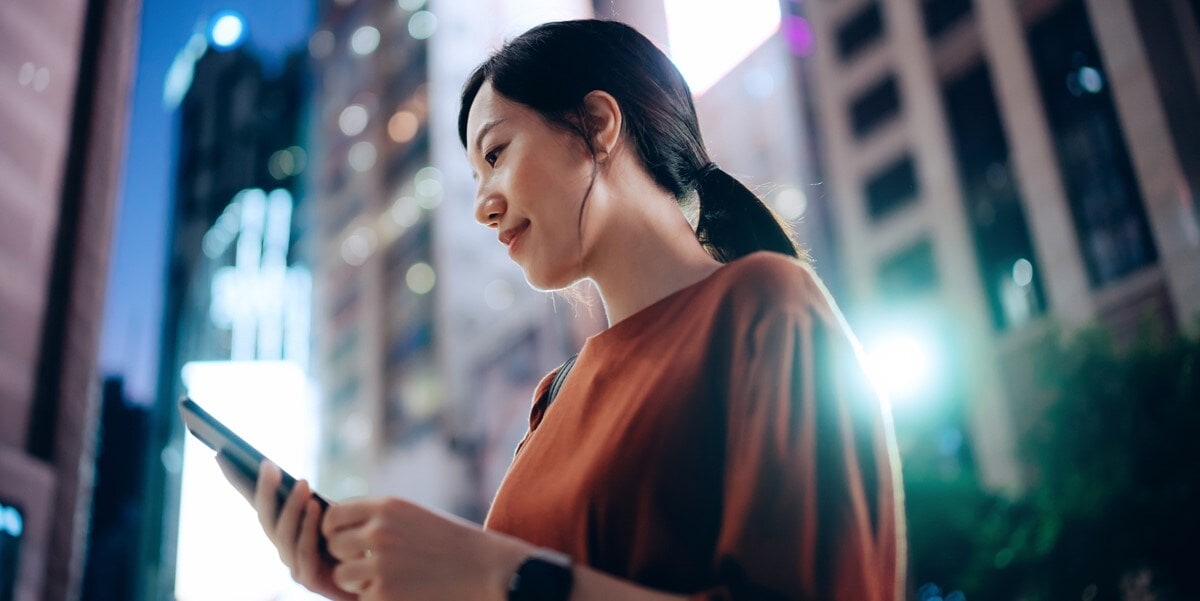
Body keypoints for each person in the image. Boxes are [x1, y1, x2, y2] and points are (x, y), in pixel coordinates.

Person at [219, 18, 905, 601]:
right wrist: (365, 581)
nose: (483, 204)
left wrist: (497, 574)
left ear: (598, 125)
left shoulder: (765, 307)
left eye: (496, 153)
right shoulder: (554, 396)